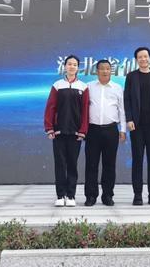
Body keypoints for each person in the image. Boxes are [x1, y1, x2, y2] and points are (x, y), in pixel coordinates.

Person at [44, 54, 89, 207]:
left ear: (78, 68)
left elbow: (85, 111)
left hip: (76, 133)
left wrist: (83, 130)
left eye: (75, 64)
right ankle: (60, 195)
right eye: (69, 64)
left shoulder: (83, 87)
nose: (72, 66)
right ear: (65, 66)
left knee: (72, 164)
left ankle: (70, 195)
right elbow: (50, 107)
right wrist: (50, 128)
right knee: (60, 164)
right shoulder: (57, 85)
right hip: (59, 132)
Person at [124, 47, 150, 206]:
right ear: (136, 60)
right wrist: (129, 119)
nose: (143, 59)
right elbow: (127, 99)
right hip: (137, 126)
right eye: (140, 57)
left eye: (145, 56)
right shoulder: (131, 76)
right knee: (138, 160)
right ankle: (137, 195)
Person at [84, 59, 126, 206]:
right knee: (91, 164)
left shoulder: (117, 88)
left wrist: (122, 130)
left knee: (109, 164)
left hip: (111, 130)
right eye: (102, 68)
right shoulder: (89, 87)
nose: (105, 71)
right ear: (97, 71)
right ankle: (91, 196)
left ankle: (107, 195)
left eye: (107, 68)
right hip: (92, 130)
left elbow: (122, 110)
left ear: (111, 71)